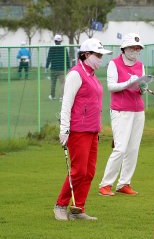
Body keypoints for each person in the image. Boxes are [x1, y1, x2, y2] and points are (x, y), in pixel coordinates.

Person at [54, 38, 112, 221]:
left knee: (89, 172)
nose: (100, 58)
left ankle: (77, 208)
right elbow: (67, 103)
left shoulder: (92, 75)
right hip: (78, 130)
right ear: (86, 55)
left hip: (92, 130)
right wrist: (64, 129)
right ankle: (60, 205)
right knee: (78, 170)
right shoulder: (76, 74)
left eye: (102, 55)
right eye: (98, 55)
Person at [98, 33, 147, 196]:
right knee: (120, 148)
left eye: (138, 48)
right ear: (124, 48)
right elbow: (111, 86)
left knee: (133, 149)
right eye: (133, 47)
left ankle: (124, 183)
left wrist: (141, 87)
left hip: (138, 110)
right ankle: (105, 184)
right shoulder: (114, 63)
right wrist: (129, 82)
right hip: (120, 110)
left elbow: (140, 86)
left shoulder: (140, 65)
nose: (136, 50)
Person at [45, 34, 71, 100]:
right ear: (61, 41)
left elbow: (49, 58)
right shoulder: (64, 48)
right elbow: (67, 58)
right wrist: (69, 67)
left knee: (53, 83)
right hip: (62, 69)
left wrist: (46, 67)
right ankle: (61, 97)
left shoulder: (52, 48)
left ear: (54, 41)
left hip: (53, 69)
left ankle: (52, 96)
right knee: (62, 83)